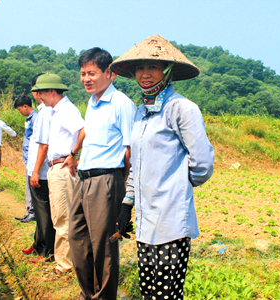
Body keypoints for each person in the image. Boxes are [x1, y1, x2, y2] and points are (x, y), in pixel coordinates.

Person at [110, 35, 215, 300]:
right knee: (149, 291)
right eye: (140, 68)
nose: (145, 74)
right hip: (146, 222)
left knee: (167, 294)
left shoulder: (181, 109)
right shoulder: (140, 112)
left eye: (152, 67)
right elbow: (136, 164)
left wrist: (176, 185)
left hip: (171, 221)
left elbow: (202, 163)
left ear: (167, 70)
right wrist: (126, 205)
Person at [65, 47, 136, 300]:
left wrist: (124, 187)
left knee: (104, 245)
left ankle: (104, 297)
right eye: (83, 73)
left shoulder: (122, 104)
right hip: (84, 179)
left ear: (109, 73)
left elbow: (129, 151)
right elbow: (87, 132)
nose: (86, 79)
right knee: (77, 238)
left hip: (107, 180)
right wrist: (74, 152)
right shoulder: (92, 102)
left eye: (92, 73)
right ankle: (89, 293)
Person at [31, 73, 84, 274]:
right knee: (59, 217)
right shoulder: (56, 111)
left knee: (64, 218)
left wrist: (73, 153)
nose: (40, 97)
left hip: (63, 168)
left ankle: (65, 265)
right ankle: (64, 261)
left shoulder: (66, 111)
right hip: (57, 168)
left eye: (42, 93)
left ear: (51, 91)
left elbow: (83, 130)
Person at [22, 74, 56, 262]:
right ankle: (38, 243)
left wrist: (35, 171)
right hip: (36, 169)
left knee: (45, 214)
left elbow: (44, 145)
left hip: (40, 172)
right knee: (41, 211)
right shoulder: (43, 112)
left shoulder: (45, 113)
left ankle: (47, 251)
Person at [14, 96, 37, 223]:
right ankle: (30, 210)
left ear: (25, 106)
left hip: (32, 158)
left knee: (30, 186)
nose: (20, 112)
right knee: (28, 186)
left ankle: (32, 211)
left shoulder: (35, 119)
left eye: (19, 109)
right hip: (28, 157)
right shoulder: (30, 119)